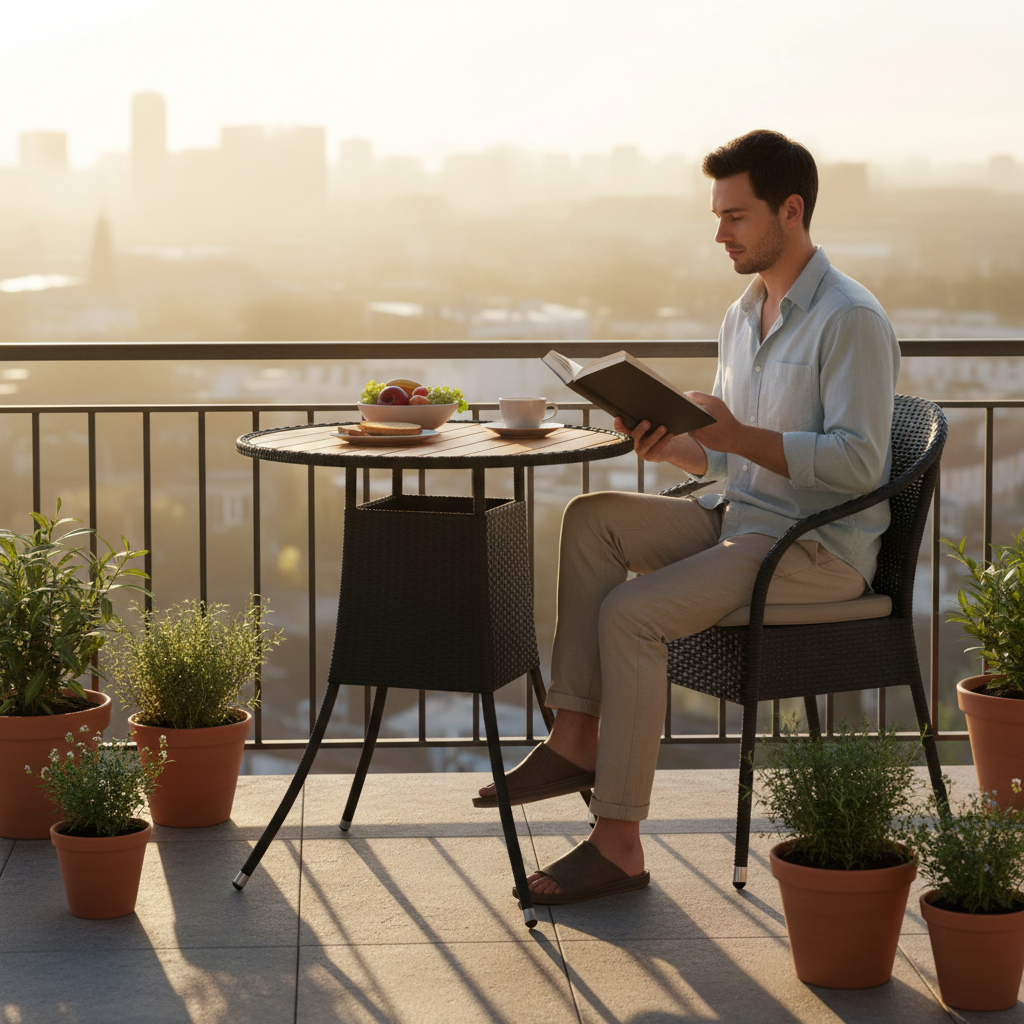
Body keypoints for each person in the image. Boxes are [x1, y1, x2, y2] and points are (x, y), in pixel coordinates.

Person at [475, 129, 901, 904]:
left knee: (633, 615)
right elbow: (734, 459)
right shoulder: (743, 317)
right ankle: (574, 737)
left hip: (812, 552)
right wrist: (678, 449)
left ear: (792, 210)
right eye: (718, 215)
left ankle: (619, 844)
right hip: (744, 517)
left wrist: (729, 434)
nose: (719, 233)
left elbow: (860, 462)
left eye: (736, 216)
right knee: (592, 517)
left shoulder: (851, 320)